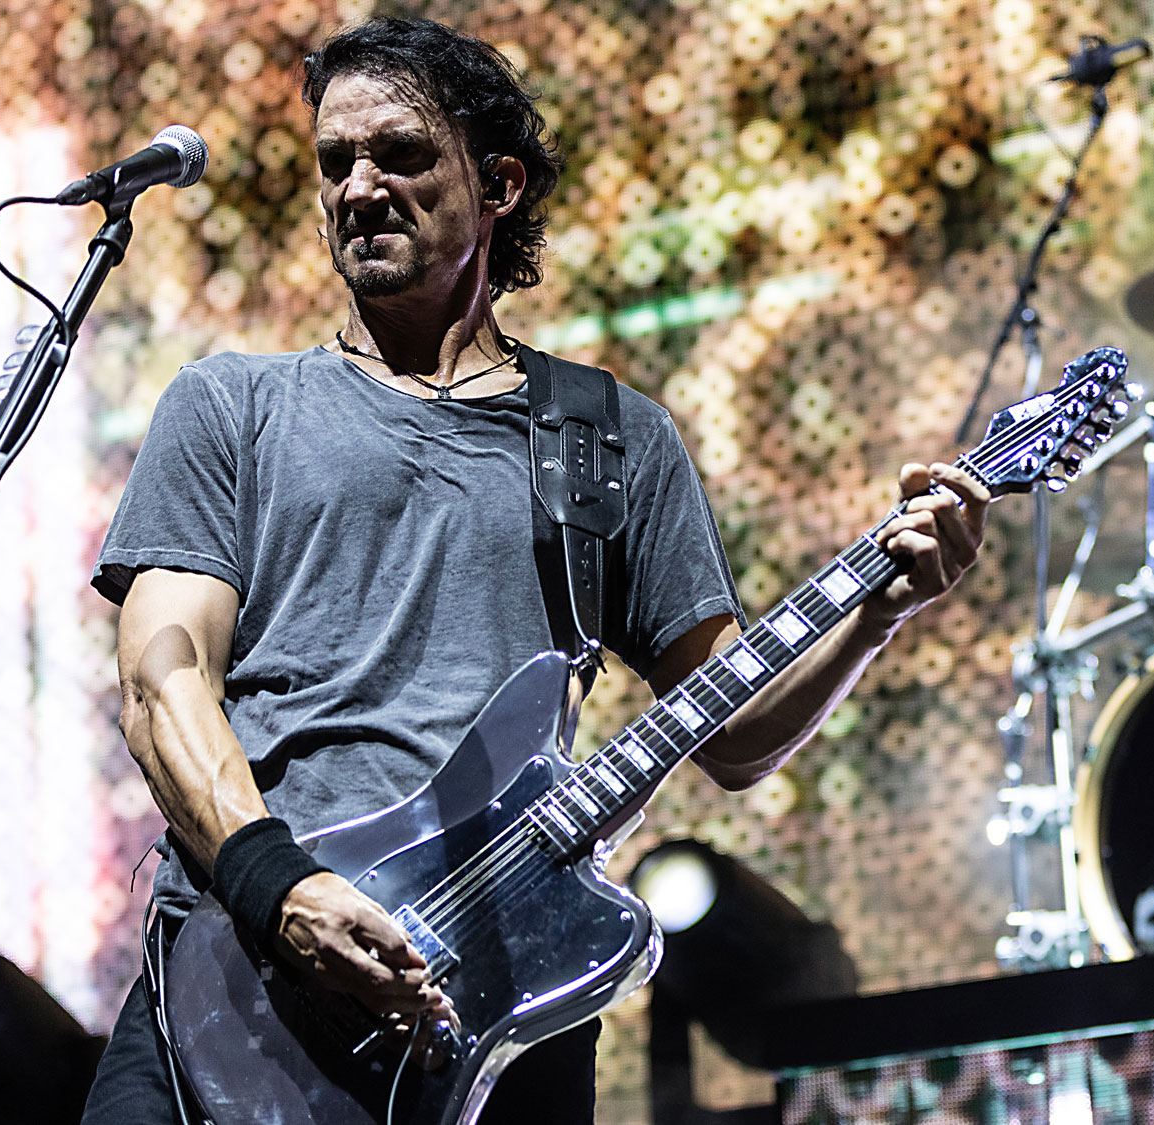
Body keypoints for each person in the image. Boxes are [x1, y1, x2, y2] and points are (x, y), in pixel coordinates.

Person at [78, 17, 993, 1125]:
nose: (357, 188)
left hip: (498, 1001)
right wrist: (283, 891)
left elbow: (735, 730)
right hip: (239, 985)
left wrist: (878, 609)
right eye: (334, 163)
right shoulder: (231, 407)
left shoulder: (608, 439)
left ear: (498, 182)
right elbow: (159, 685)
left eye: (400, 154)